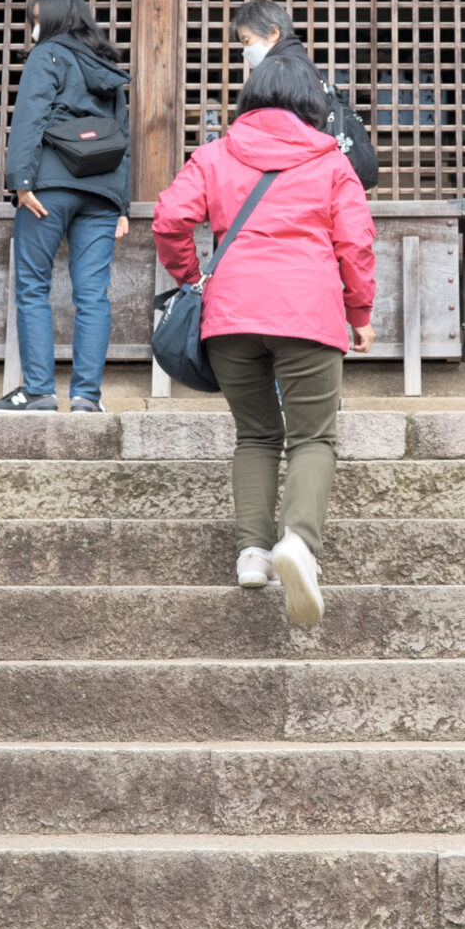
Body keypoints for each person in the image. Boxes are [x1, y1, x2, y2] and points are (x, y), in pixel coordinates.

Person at [153, 46, 375, 627]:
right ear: (311, 102)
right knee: (313, 437)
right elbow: (355, 243)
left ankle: (252, 553)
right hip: (307, 312)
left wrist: (190, 278)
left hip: (230, 314)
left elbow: (170, 219)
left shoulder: (214, 154)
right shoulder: (332, 163)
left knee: (254, 434)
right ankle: (297, 542)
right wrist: (359, 311)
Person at [0, 0, 130, 415]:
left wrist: (21, 182)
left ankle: (39, 392)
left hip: (48, 187)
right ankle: (87, 397)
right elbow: (122, 136)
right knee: (93, 295)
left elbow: (29, 118)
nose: (34, 29)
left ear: (54, 19)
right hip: (101, 191)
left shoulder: (46, 54)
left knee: (34, 287)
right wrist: (121, 204)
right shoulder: (107, 67)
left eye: (36, 20)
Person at [226, 0, 379, 191]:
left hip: (298, 177)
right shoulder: (300, 62)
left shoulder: (283, 69)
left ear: (273, 33)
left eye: (247, 41)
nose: (245, 51)